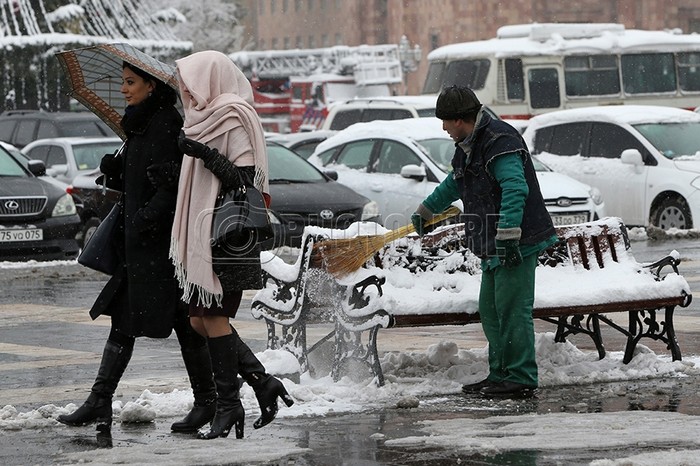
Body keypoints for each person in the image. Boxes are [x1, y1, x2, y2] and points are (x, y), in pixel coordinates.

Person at [58, 61, 220, 432]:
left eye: (131, 82)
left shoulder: (164, 124)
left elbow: (172, 184)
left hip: (160, 248)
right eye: (123, 82)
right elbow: (142, 180)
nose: (124, 89)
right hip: (142, 248)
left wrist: (148, 216)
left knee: (185, 322)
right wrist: (115, 171)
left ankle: (214, 399)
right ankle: (103, 400)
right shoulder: (140, 126)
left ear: (151, 85)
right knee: (132, 319)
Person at [170, 50, 293, 440]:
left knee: (214, 319)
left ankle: (229, 405)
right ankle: (261, 382)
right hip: (204, 234)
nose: (185, 90)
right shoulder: (199, 121)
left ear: (209, 79)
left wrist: (203, 152)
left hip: (229, 235)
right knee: (197, 320)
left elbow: (242, 179)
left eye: (190, 82)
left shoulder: (235, 116)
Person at [411, 85, 557, 398]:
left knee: (512, 309)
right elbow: (455, 182)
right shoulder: (468, 145)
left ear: (459, 120)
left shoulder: (498, 140)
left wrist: (508, 235)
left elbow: (516, 188)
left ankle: (520, 376)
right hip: (492, 242)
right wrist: (426, 210)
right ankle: (500, 374)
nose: (443, 128)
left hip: (517, 240)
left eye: (445, 122)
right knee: (491, 310)